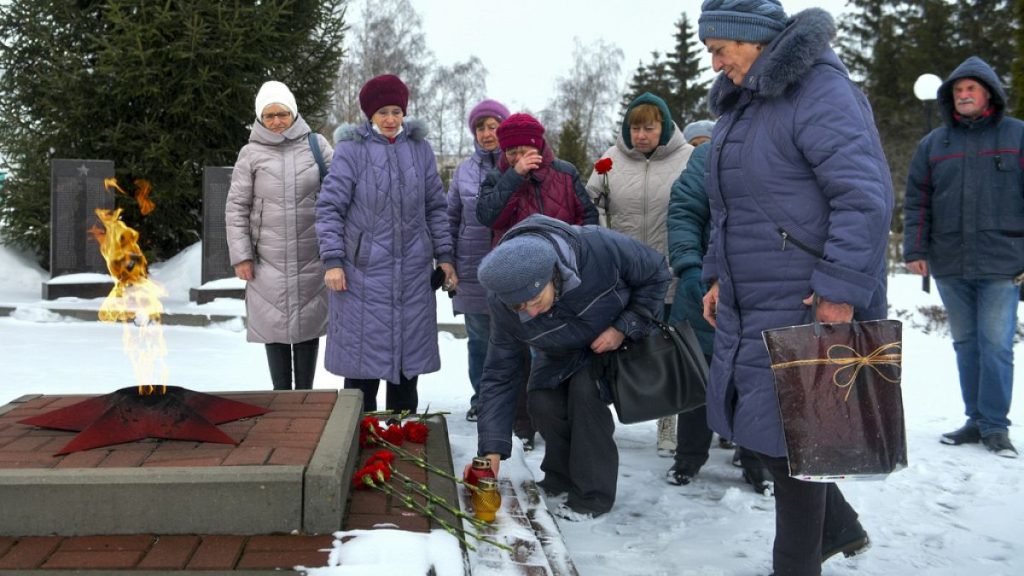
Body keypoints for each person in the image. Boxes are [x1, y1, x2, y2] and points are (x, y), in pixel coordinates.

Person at [698, 2, 893, 574]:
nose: (714, 62)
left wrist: (840, 288)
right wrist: (715, 273)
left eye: (719, 48)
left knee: (795, 447)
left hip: (805, 295)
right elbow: (730, 206)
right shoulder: (745, 103)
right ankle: (841, 527)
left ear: (752, 38)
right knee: (759, 431)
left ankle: (797, 565)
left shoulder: (819, 91)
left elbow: (864, 196)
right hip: (751, 292)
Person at [475, 214, 671, 521]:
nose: (530, 312)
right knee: (542, 400)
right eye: (518, 307)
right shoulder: (504, 304)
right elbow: (500, 374)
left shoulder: (599, 248)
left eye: (535, 300)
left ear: (553, 275)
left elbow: (657, 272)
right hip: (560, 352)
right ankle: (560, 476)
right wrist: (491, 452)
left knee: (584, 394)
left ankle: (592, 497)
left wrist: (624, 326)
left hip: (615, 341)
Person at [315, 74, 455, 413]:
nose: (391, 119)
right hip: (361, 277)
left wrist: (445, 256)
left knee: (407, 371)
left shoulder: (420, 149)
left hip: (412, 274)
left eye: (396, 111)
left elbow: (436, 206)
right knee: (361, 375)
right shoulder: (351, 150)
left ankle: (401, 438)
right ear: (370, 115)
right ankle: (357, 444)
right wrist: (333, 260)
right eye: (383, 113)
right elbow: (329, 207)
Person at [904, 56, 1022, 459]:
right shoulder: (934, 144)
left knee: (996, 345)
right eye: (957, 90)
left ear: (988, 92)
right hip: (950, 260)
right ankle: (974, 420)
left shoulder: (1017, 135)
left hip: (1002, 261)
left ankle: (995, 426)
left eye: (971, 88)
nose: (964, 95)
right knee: (966, 344)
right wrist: (915, 250)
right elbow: (917, 201)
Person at [476, 112, 599, 449]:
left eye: (522, 150)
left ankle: (561, 422)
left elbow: (588, 218)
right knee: (514, 353)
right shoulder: (498, 177)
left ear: (538, 145)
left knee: (560, 350)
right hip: (514, 277)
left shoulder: (565, 173)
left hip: (560, 279)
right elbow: (488, 216)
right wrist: (513, 178)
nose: (517, 157)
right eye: (510, 151)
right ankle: (522, 425)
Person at [584, 92, 693, 458]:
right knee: (615, 348)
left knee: (666, 349)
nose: (642, 135)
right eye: (635, 128)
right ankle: (607, 417)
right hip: (622, 275)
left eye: (649, 127)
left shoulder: (689, 159)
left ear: (664, 127)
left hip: (669, 270)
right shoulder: (608, 161)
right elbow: (590, 208)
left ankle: (668, 424)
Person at [666, 135, 773, 494]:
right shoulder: (707, 156)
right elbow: (684, 212)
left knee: (755, 382)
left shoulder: (779, 148)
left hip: (764, 289)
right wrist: (691, 268)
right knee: (701, 379)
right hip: (706, 288)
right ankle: (689, 458)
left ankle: (756, 461)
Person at [226, 80, 330, 390]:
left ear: (293, 113)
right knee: (274, 328)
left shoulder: (318, 146)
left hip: (311, 255)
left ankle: (306, 396)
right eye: (269, 115)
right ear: (260, 118)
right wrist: (242, 255)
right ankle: (282, 396)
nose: (276, 121)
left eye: (282, 113)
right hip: (266, 259)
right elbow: (236, 207)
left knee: (308, 326)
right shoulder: (250, 153)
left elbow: (339, 192)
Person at [446, 98, 511, 422]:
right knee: (480, 342)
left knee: (518, 342)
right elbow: (450, 218)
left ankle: (517, 404)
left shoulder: (518, 165)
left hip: (514, 271)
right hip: (472, 271)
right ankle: (482, 398)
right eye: (481, 128)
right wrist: (448, 263)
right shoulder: (464, 171)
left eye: (494, 126)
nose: (488, 134)